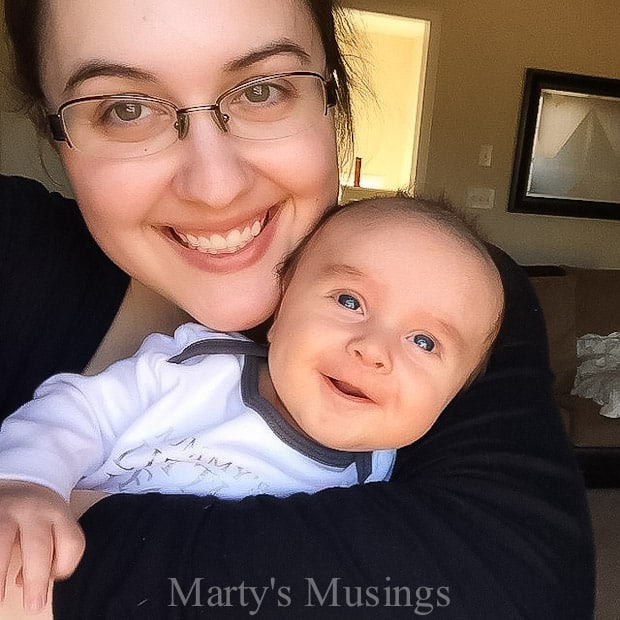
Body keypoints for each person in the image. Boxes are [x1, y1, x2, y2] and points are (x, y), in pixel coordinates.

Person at [0, 1, 594, 619]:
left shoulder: (456, 291)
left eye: (262, 89)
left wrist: (75, 538)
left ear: (333, 100)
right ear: (55, 134)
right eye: (124, 109)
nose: (215, 187)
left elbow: (510, 591)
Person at [0, 195, 504, 611]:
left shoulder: (388, 488)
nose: (373, 350)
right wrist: (28, 481)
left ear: (452, 396)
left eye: (424, 342)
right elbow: (77, 411)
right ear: (280, 308)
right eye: (349, 301)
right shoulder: (198, 366)